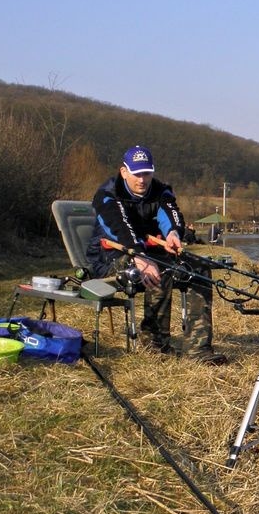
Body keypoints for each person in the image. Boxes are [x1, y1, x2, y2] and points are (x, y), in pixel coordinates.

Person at [85, 145, 227, 365]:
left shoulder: (160, 191)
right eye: (136, 174)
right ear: (124, 172)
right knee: (161, 269)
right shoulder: (107, 195)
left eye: (147, 173)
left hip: (150, 254)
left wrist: (172, 233)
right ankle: (154, 344)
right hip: (111, 256)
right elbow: (120, 229)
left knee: (198, 269)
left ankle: (198, 350)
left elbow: (171, 215)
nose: (142, 180)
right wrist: (140, 257)